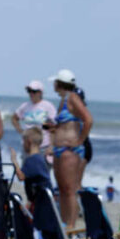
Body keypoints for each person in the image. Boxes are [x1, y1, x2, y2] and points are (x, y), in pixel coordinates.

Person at [46, 69, 92, 229]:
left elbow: (88, 119)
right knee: (63, 189)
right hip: (60, 149)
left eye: (54, 82)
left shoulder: (73, 98)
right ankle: (65, 223)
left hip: (69, 151)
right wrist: (54, 128)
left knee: (70, 189)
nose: (53, 84)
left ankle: (71, 225)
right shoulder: (64, 99)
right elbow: (67, 123)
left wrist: (79, 141)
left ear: (59, 83)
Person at [11, 80, 56, 152]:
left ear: (40, 93)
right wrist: (21, 131)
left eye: (34, 91)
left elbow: (52, 129)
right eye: (29, 91)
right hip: (27, 147)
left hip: (43, 147)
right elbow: (14, 118)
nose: (31, 94)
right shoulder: (25, 106)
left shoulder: (48, 106)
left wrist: (51, 146)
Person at [10, 127, 52, 200]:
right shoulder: (40, 158)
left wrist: (14, 161)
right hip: (43, 196)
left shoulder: (32, 160)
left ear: (28, 142)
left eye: (23, 141)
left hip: (41, 199)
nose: (22, 145)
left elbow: (21, 177)